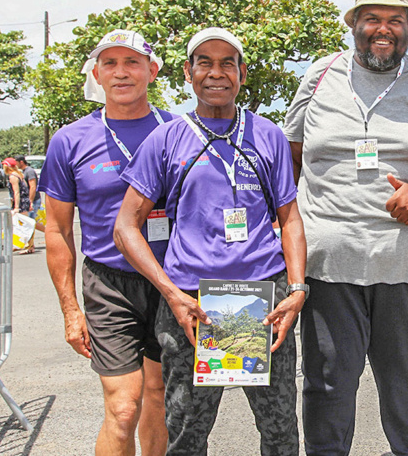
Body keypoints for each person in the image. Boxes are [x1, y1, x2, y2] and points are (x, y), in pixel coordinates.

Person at [284, 0, 408, 456]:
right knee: (327, 383)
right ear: (355, 24)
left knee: (406, 382)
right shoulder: (320, 76)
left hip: (404, 262)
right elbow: (290, 155)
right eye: (373, 19)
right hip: (328, 262)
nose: (383, 29)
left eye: (395, 20)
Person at [114, 27, 306, 456]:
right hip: (193, 305)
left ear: (241, 73)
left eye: (227, 63)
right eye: (205, 62)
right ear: (188, 72)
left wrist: (296, 289)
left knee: (279, 432)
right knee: (186, 431)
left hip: (263, 301)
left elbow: (290, 218)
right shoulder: (167, 137)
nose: (216, 73)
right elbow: (126, 226)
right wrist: (170, 292)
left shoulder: (268, 135)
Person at [39, 29, 174, 456]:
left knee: (159, 397)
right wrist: (70, 311)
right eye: (110, 64)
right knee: (122, 407)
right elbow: (58, 231)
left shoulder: (179, 130)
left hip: (172, 284)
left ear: (151, 71)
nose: (121, 73)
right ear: (96, 74)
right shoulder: (69, 140)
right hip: (109, 285)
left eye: (132, 62)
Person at [17, 155, 46, 251]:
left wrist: (30, 201)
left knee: (29, 223)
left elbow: (33, 187)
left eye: (16, 162)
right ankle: (48, 234)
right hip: (30, 200)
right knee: (31, 222)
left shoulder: (29, 171)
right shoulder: (24, 172)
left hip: (33, 200)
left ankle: (30, 246)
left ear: (21, 162)